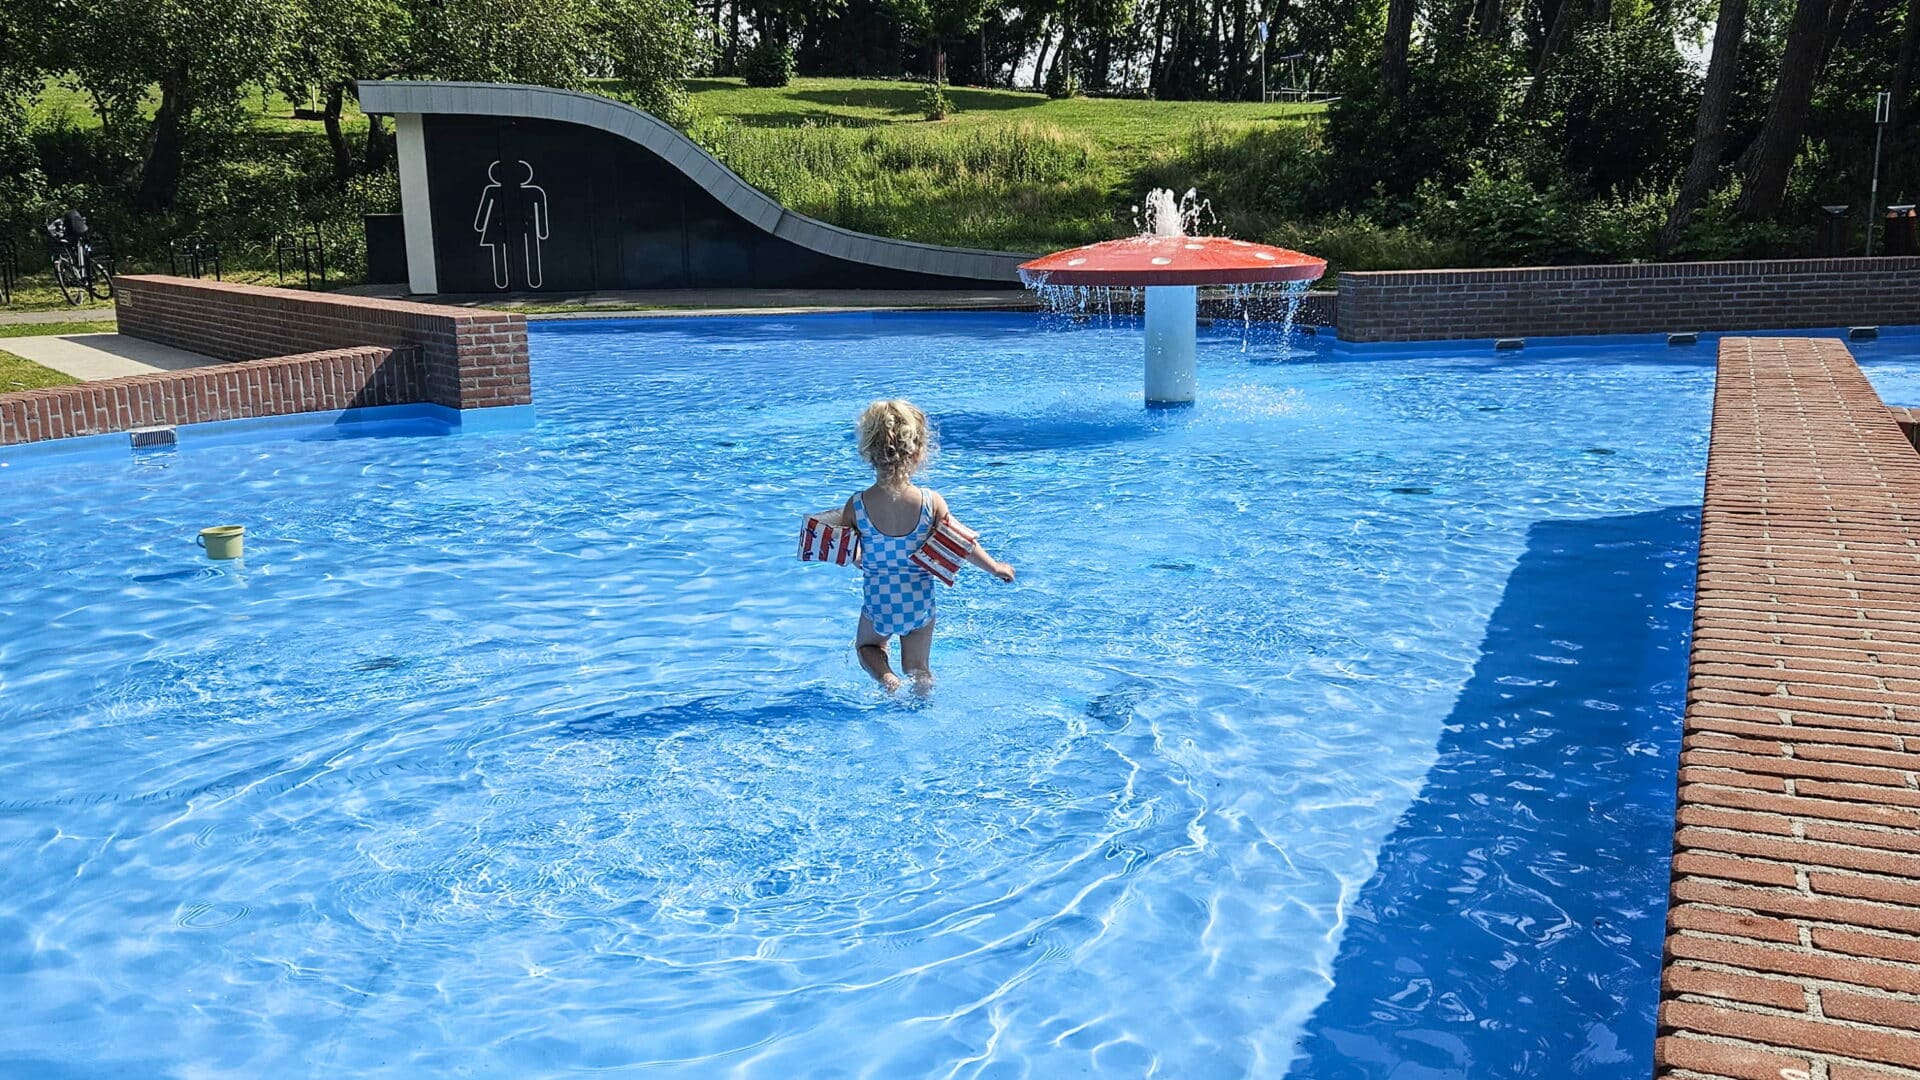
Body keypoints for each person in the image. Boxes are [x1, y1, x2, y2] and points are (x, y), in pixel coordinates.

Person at [839, 399, 1014, 693]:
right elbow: (962, 544)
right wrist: (995, 567)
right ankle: (922, 698)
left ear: (868, 452)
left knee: (868, 646)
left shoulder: (857, 505)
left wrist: (859, 555)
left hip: (879, 602)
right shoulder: (930, 503)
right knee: (917, 667)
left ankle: (887, 679)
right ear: (918, 452)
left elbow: (844, 546)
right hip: (918, 603)